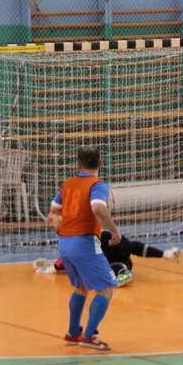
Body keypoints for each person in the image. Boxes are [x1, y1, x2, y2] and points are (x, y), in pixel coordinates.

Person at [46, 146, 122, 350]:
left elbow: (53, 211)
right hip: (84, 242)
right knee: (105, 289)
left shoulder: (67, 184)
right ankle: (89, 336)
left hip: (65, 243)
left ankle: (73, 333)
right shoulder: (98, 185)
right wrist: (114, 230)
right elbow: (97, 208)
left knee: (81, 287)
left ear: (78, 165)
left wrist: (60, 224)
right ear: (100, 165)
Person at [47, 231, 180, 286]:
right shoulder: (85, 245)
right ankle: (121, 272)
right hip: (106, 263)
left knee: (116, 266)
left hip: (117, 260)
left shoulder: (112, 241)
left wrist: (164, 254)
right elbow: (66, 258)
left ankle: (122, 273)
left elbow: (135, 247)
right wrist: (55, 266)